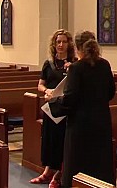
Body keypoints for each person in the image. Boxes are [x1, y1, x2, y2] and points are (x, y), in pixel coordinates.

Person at [46, 30, 115, 187]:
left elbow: (70, 99)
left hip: (81, 126)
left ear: (77, 48)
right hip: (101, 123)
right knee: (99, 165)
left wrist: (53, 102)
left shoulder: (76, 68)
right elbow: (111, 93)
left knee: (78, 166)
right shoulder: (104, 65)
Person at [30, 29, 76, 188]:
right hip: (51, 108)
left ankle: (59, 173)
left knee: (62, 141)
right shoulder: (48, 64)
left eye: (64, 41)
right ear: (54, 44)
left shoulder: (74, 63)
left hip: (65, 109)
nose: (61, 45)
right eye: (58, 42)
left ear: (69, 44)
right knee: (50, 140)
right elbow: (40, 85)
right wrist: (46, 90)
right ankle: (47, 170)